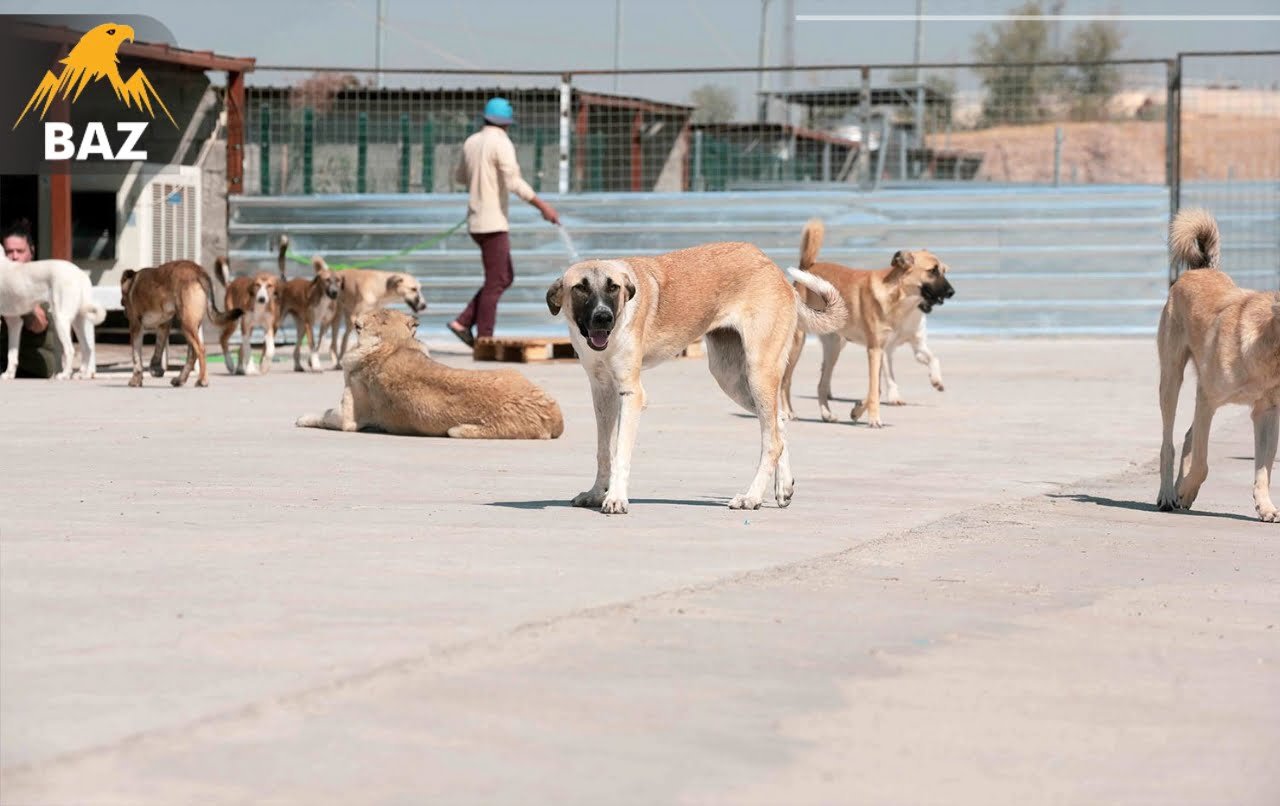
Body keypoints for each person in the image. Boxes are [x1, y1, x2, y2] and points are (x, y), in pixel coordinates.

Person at [448, 97, 560, 346]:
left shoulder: (471, 142)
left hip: (476, 221)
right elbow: (514, 183)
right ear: (507, 123)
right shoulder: (501, 143)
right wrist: (543, 207)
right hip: (493, 222)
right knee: (497, 280)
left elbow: (460, 177)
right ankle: (484, 337)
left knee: (503, 277)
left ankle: (464, 321)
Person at [0, 220, 59, 378]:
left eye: (19, 251)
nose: (14, 256)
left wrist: (20, 301)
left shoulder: (41, 278)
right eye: (9, 251)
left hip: (35, 367)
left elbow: (39, 324)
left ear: (31, 252)